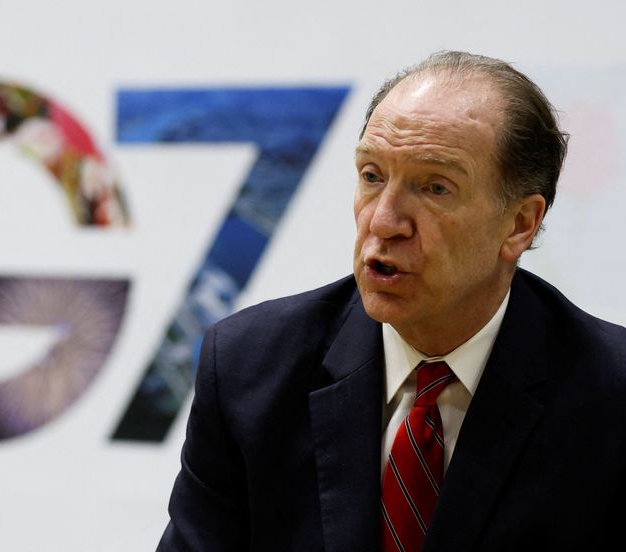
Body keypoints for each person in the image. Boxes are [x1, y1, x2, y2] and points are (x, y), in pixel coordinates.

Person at [157, 51, 626, 551]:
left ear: (519, 224)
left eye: (435, 187)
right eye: (372, 175)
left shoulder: (610, 395)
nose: (383, 221)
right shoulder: (248, 368)